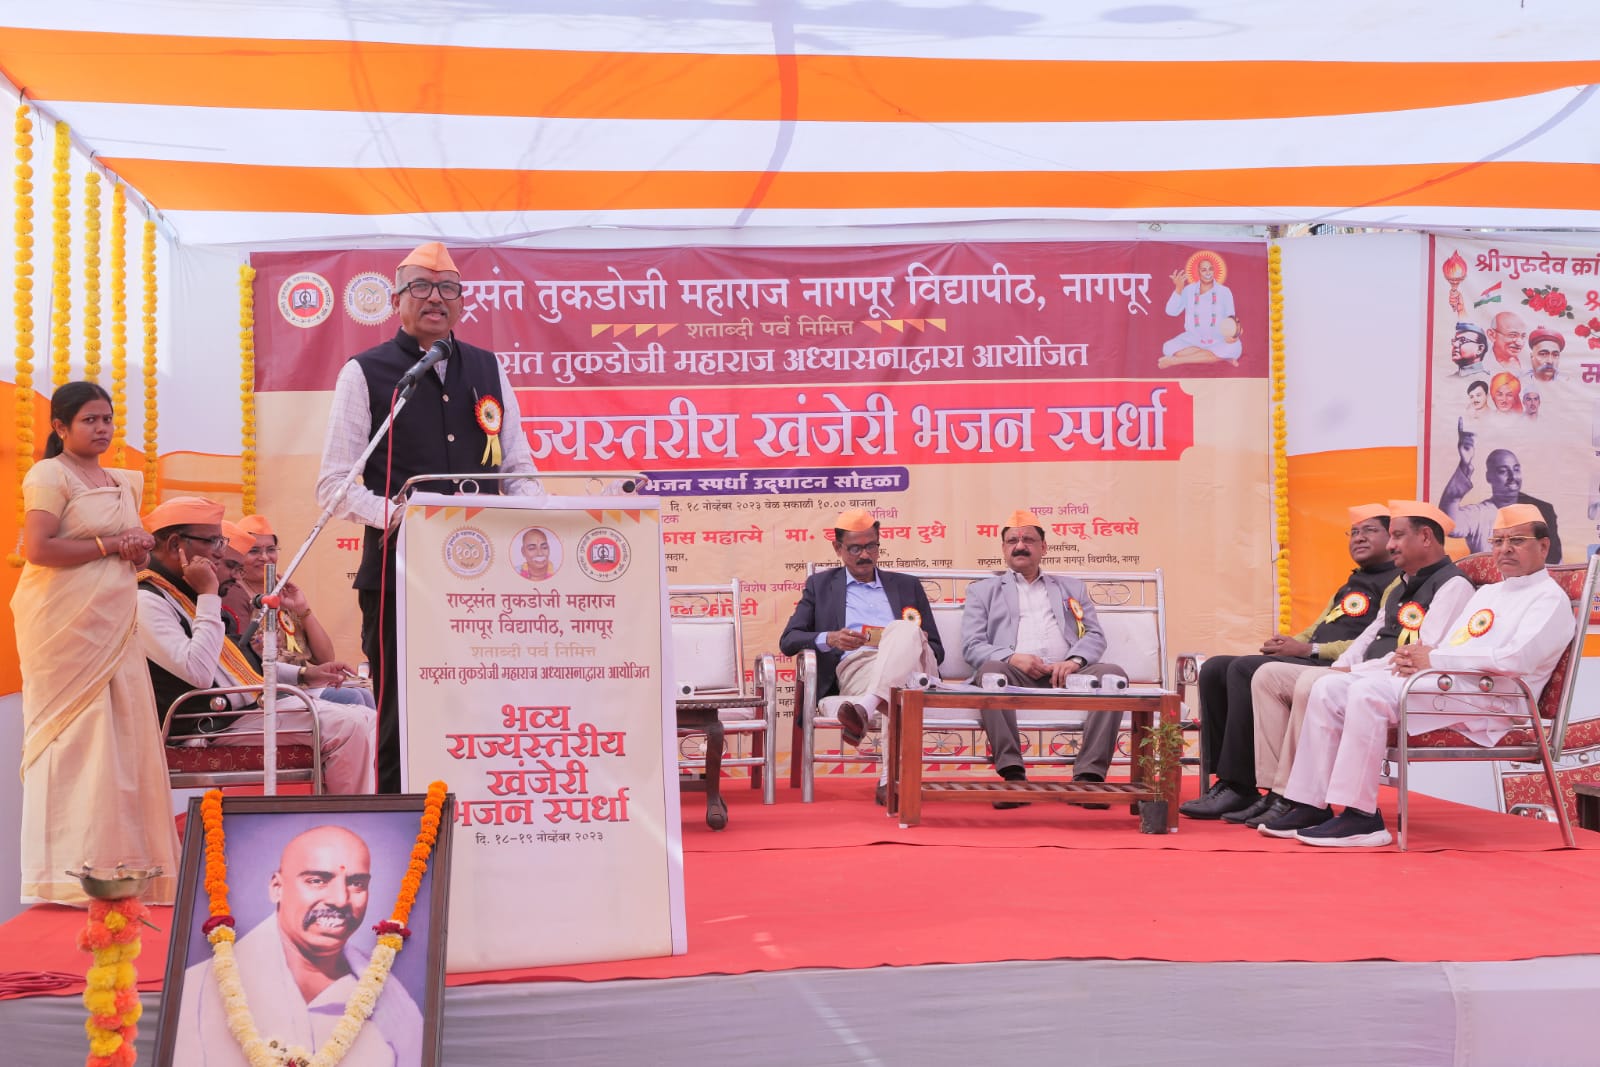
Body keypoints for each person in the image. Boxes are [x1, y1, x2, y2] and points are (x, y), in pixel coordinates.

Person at [316, 242, 542, 792]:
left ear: (462, 302)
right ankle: (400, 823)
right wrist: (405, 515)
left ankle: (482, 811)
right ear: (396, 300)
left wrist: (541, 516)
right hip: (400, 576)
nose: (436, 298)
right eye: (420, 286)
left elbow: (518, 468)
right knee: (403, 708)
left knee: (482, 700)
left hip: (485, 576)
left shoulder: (488, 368)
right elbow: (334, 486)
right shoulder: (364, 373)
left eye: (448, 289)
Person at [1276, 505, 1574, 847]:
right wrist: (1406, 660)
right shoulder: (1489, 593)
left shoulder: (1550, 599)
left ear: (1543, 546)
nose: (1505, 549)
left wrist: (1433, 659)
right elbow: (1448, 646)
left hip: (1494, 700)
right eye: (1498, 541)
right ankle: (1310, 804)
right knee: (1330, 686)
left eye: (1517, 541)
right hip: (1452, 684)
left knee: (1368, 694)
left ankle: (1361, 817)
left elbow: (1514, 659)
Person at [13, 381, 178, 905]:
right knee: (77, 744)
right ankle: (66, 876)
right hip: (64, 629)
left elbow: (130, 556)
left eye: (107, 419)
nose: (102, 429)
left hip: (115, 625)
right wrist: (111, 544)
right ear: (60, 427)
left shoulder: (119, 481)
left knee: (122, 743)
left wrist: (138, 550)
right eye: (90, 420)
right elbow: (39, 549)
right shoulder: (50, 474)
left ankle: (128, 868)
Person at [1254, 501, 1474, 837]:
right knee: (1315, 682)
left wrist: (1355, 671)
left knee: (1327, 684)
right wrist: (1343, 666)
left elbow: (1418, 655)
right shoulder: (1402, 584)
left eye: (1398, 536)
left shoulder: (1453, 585)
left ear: (1425, 537)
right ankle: (1308, 803)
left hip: (1410, 683)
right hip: (1374, 673)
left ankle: (1352, 812)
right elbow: (1371, 634)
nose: (1391, 545)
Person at [136, 497, 375, 794]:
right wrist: (209, 594)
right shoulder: (148, 600)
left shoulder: (184, 593)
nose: (219, 552)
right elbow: (198, 672)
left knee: (366, 716)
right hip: (209, 725)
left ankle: (339, 810)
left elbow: (236, 665)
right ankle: (347, 817)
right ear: (175, 545)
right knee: (349, 725)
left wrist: (305, 675)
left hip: (242, 710)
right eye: (213, 542)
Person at [1179, 504, 1400, 820]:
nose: (1359, 538)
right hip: (1311, 658)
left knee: (1243, 669)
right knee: (1216, 668)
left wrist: (1309, 649)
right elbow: (1319, 626)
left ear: (1392, 539)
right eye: (1353, 532)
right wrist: (1288, 644)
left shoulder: (1396, 583)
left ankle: (1240, 784)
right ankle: (1227, 779)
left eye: (1369, 531)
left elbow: (1373, 643)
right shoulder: (1352, 582)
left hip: (1341, 667)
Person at [175, 825, 423, 1065]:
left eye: (356, 883)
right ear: (277, 888)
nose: (340, 900)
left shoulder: (395, 1004)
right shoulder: (197, 990)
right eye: (317, 880)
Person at [961, 510, 1127, 808]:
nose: (1020, 546)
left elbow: (1094, 635)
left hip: (1069, 676)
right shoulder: (982, 591)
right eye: (1012, 541)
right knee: (990, 672)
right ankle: (1013, 776)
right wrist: (1012, 658)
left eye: (1028, 540)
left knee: (1112, 675)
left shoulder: (1071, 588)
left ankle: (1089, 779)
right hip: (1012, 675)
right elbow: (972, 646)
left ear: (1044, 547)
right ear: (1003, 549)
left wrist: (1074, 660)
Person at [778, 509, 943, 805]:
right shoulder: (820, 586)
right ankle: (890, 780)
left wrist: (909, 640)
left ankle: (864, 710)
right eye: (855, 548)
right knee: (900, 687)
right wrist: (830, 638)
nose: (865, 555)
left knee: (904, 629)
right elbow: (789, 640)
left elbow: (938, 650)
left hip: (918, 666)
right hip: (859, 667)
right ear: (838, 548)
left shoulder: (907, 585)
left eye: (871, 546)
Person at [232, 513, 374, 709]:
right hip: (268, 689)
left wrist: (302, 609)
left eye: (271, 549)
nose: (264, 557)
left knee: (365, 693)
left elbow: (325, 658)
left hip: (303, 684)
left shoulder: (282, 591)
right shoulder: (235, 593)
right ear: (237, 555)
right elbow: (240, 657)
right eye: (254, 551)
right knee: (352, 698)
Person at [1439, 427, 1562, 562]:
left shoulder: (1541, 511)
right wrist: (1464, 464)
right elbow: (1449, 524)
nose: (1512, 476)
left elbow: (1556, 562)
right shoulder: (1480, 514)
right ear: (1488, 477)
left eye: (1516, 469)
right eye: (1503, 471)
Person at [1158, 251, 1242, 368]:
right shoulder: (1188, 290)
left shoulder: (1224, 291)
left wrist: (1232, 334)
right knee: (1168, 346)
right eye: (1204, 270)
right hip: (1193, 339)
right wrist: (1178, 289)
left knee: (1234, 347)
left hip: (1218, 338)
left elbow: (1230, 317)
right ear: (1198, 272)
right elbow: (1171, 312)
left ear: (1214, 271)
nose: (1208, 273)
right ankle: (1219, 358)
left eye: (1210, 269)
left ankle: (1176, 361)